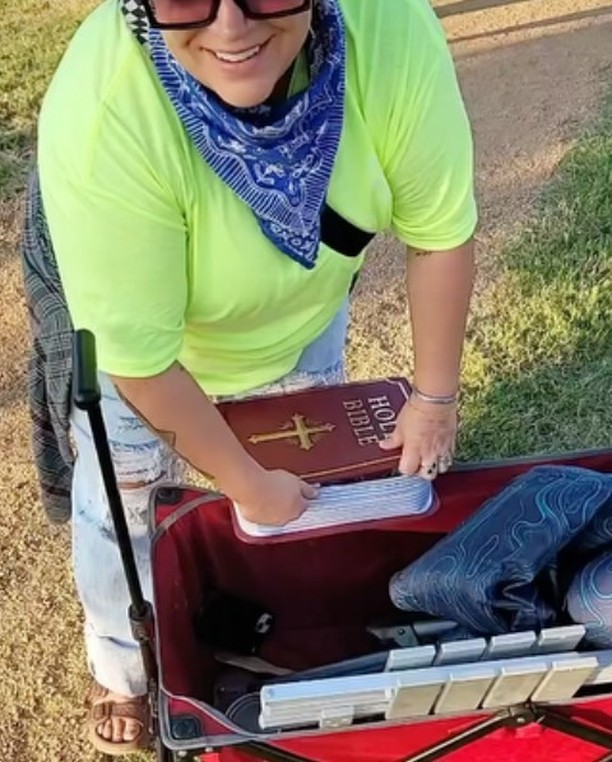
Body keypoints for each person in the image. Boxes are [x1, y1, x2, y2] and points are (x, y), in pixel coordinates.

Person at [23, 0, 477, 754]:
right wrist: (246, 483)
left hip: (298, 299)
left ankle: (291, 624)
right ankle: (123, 666)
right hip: (143, 333)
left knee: (307, 478)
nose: (230, 27)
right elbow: (142, 361)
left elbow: (439, 234)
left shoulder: (391, 28)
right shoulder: (105, 110)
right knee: (121, 504)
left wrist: (434, 399)